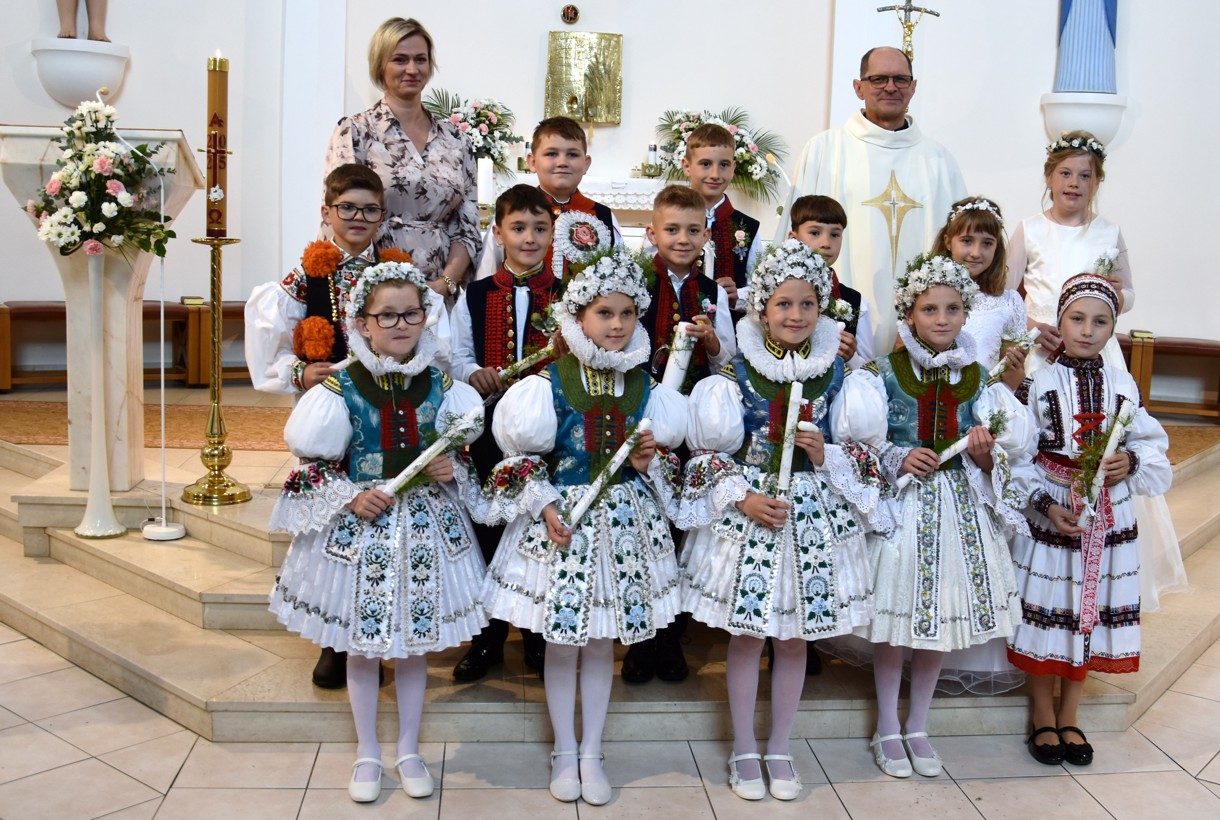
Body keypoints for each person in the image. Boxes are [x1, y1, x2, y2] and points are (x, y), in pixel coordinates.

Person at [267, 260, 488, 803]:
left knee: (413, 649)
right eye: (386, 315)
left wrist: (452, 469)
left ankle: (408, 749)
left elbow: (462, 457)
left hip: (426, 528)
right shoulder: (339, 386)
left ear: (425, 317)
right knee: (362, 650)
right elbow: (310, 468)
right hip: (361, 528)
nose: (399, 324)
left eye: (410, 313)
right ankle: (367, 751)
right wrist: (349, 493)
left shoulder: (444, 386)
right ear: (362, 323)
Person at [476, 250, 687, 805]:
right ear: (579, 317)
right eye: (604, 313)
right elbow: (521, 460)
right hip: (562, 526)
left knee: (598, 643)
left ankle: (591, 749)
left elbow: (666, 468)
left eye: (626, 314)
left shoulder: (648, 387)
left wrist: (647, 463)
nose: (617, 325)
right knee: (562, 643)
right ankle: (563, 748)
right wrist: (545, 505)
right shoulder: (547, 384)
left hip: (624, 527)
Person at [676, 239, 882, 801]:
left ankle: (780, 745)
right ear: (762, 308)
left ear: (822, 309)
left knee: (794, 641)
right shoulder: (735, 374)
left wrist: (826, 454)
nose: (796, 315)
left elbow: (865, 456)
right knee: (747, 638)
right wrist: (742, 497)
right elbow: (706, 456)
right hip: (751, 512)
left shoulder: (839, 375)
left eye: (807, 304)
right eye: (784, 304)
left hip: (812, 515)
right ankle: (744, 746)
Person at [833, 255, 1033, 778]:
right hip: (899, 508)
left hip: (957, 508)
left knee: (937, 618)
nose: (942, 319)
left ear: (965, 314)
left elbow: (1002, 458)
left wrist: (985, 454)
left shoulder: (980, 380)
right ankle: (887, 726)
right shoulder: (880, 374)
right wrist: (896, 456)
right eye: (929, 309)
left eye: (952, 309)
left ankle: (918, 724)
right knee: (892, 622)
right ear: (909, 314)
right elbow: (853, 446)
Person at [245, 164, 417, 690]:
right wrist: (298, 372)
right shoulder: (307, 275)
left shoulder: (395, 271)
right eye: (348, 208)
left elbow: (420, 331)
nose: (358, 218)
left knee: (382, 519)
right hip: (331, 412)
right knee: (334, 523)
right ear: (327, 212)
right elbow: (272, 336)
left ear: (382, 216)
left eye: (369, 209)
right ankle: (333, 641)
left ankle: (376, 636)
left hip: (384, 409)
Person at [1007, 131, 1187, 612]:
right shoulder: (1029, 228)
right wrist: (1034, 327)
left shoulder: (1108, 232)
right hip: (1045, 351)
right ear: (1049, 178)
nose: (1074, 182)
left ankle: (1104, 566)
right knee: (1045, 446)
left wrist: (1112, 293)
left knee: (1101, 448)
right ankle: (1040, 570)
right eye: (1065, 173)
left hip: (1096, 353)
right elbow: (1005, 296)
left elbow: (1129, 293)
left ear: (1097, 182)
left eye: (1085, 175)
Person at [1007, 273, 1171, 767]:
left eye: (1100, 322)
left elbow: (1152, 445)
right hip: (1053, 512)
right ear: (1059, 322)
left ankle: (1070, 713)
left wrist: (1130, 461)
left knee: (1089, 608)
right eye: (1077, 318)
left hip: (1108, 514)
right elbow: (1016, 453)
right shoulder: (1038, 382)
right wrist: (1043, 502)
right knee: (1049, 606)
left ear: (1112, 329)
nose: (1087, 330)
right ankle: (1042, 712)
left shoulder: (1124, 384)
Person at [620, 184, 735, 685]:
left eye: (692, 230)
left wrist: (713, 341)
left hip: (695, 424)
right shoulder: (634, 281)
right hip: (647, 418)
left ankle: (671, 636)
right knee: (647, 526)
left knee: (683, 529)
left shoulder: (712, 292)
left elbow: (728, 361)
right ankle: (641, 639)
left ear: (706, 236)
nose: (682, 239)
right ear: (652, 233)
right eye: (672, 229)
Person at [781, 46, 966, 355]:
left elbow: (961, 250)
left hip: (926, 335)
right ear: (858, 87)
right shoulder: (824, 150)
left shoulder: (939, 161)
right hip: (834, 333)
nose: (890, 87)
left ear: (913, 87)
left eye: (900, 79)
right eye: (879, 79)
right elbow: (790, 250)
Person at [449, 184, 564, 682]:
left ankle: (536, 635)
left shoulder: (568, 294)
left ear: (553, 233)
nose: (529, 238)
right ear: (497, 234)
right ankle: (489, 636)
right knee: (490, 529)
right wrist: (472, 372)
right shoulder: (475, 295)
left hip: (547, 431)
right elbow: (455, 354)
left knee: (536, 527)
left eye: (540, 228)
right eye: (518, 228)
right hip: (490, 431)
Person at [324, 17, 480, 299]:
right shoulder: (356, 131)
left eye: (420, 59)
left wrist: (443, 284)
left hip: (442, 291)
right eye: (399, 59)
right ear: (380, 65)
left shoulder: (457, 140)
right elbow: (340, 217)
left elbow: (467, 228)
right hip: (373, 289)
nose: (412, 69)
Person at [475, 116, 622, 280]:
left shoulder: (603, 217)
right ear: (532, 162)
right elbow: (485, 276)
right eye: (551, 153)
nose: (562, 162)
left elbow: (620, 277)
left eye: (572, 154)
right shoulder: (511, 211)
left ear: (586, 163)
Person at [933, 196, 1028, 391]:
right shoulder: (926, 295)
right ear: (948, 242)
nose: (976, 252)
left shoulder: (1008, 302)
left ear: (996, 247)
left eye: (987, 243)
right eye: (967, 241)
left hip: (985, 401)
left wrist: (1014, 367)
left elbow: (1011, 377)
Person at [680, 123, 762, 317]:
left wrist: (738, 295)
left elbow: (761, 286)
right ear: (687, 167)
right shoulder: (670, 220)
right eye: (705, 164)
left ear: (733, 168)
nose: (715, 174)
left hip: (730, 328)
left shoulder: (748, 227)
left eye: (723, 165)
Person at [788, 194, 874, 370]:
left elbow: (869, 371)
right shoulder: (772, 293)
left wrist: (851, 356)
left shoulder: (856, 302)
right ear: (793, 239)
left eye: (835, 234)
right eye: (815, 233)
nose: (826, 243)